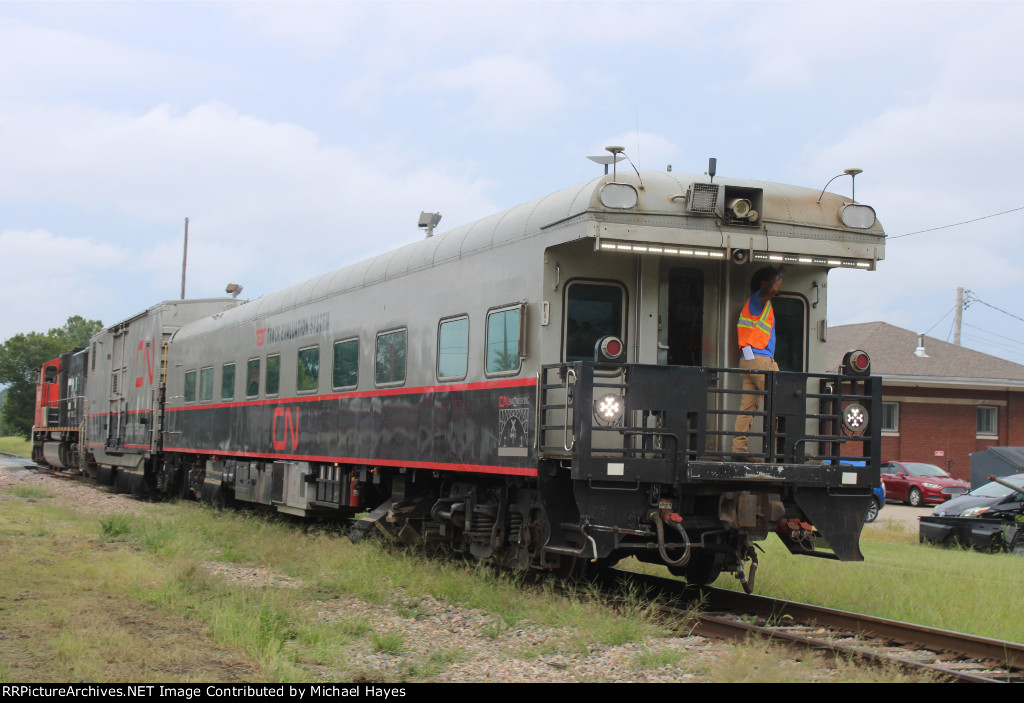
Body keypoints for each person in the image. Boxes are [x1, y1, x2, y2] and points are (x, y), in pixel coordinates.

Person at [732, 265, 784, 460]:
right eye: (771, 279)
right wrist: (782, 269)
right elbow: (771, 289)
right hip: (760, 359)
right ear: (762, 283)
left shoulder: (757, 304)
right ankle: (778, 451)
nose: (776, 284)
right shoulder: (758, 300)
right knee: (780, 401)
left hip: (748, 360)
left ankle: (739, 451)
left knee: (747, 408)